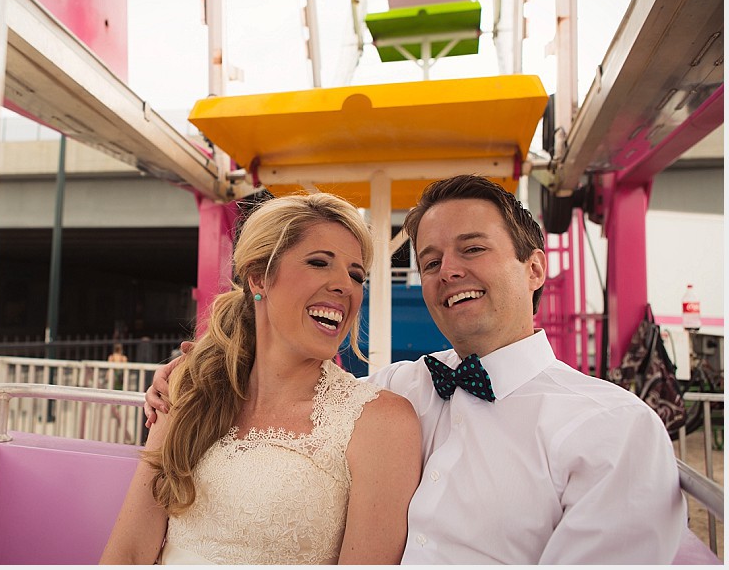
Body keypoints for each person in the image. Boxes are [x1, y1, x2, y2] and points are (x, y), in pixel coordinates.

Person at [145, 174, 687, 564]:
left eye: (472, 249)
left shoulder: (614, 428)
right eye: (430, 262)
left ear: (535, 268)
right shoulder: (399, 388)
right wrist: (197, 368)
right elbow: (285, 388)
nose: (449, 271)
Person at [101, 193, 422, 565]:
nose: (345, 286)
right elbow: (128, 553)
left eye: (356, 275)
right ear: (259, 278)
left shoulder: (380, 423)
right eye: (319, 263)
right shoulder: (189, 391)